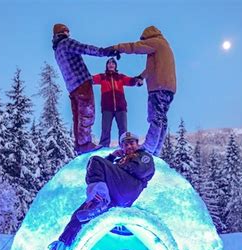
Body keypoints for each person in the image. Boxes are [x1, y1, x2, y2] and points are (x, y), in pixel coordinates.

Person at [29, 132, 155, 250]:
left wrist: (117, 164)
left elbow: (139, 170)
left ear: (137, 143)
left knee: (95, 161)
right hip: (113, 196)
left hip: (128, 190)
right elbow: (107, 169)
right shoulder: (121, 160)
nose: (129, 146)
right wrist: (113, 157)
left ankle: (99, 199)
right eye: (125, 144)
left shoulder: (144, 156)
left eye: (132, 143)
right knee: (78, 216)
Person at [52, 23, 120, 154]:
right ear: (63, 33)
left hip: (71, 87)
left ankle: (79, 144)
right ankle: (85, 143)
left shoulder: (57, 51)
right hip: (81, 83)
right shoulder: (66, 43)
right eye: (67, 32)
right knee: (87, 113)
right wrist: (105, 51)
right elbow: (85, 48)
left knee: (77, 115)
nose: (68, 34)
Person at [112, 26, 176, 156]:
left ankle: (148, 148)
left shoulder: (156, 42)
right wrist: (141, 77)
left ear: (147, 37)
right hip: (168, 88)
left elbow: (135, 47)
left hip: (158, 87)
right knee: (162, 118)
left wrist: (118, 48)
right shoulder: (163, 47)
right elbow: (151, 69)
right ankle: (156, 150)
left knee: (155, 117)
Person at [92, 58, 142, 147]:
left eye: (113, 63)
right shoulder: (102, 77)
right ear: (107, 66)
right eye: (109, 63)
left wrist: (137, 80)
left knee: (123, 129)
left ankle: (124, 146)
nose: (111, 65)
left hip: (121, 107)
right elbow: (91, 79)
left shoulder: (120, 77)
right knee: (105, 128)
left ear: (115, 66)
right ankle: (103, 145)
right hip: (107, 107)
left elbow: (130, 81)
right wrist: (82, 78)